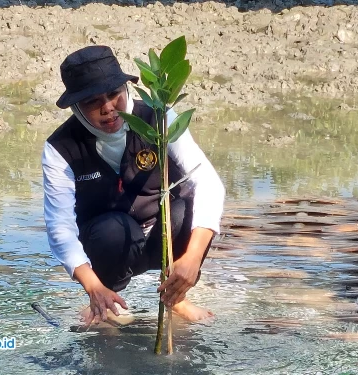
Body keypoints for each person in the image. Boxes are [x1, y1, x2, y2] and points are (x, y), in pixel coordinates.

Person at [41, 45, 225, 325]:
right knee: (112, 230)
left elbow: (209, 183)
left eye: (114, 94)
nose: (108, 109)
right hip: (108, 240)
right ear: (76, 108)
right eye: (93, 102)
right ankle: (105, 300)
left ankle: (177, 296)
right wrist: (92, 285)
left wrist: (192, 258)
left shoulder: (158, 117)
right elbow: (60, 227)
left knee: (185, 206)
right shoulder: (61, 148)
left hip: (163, 234)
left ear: (126, 90)